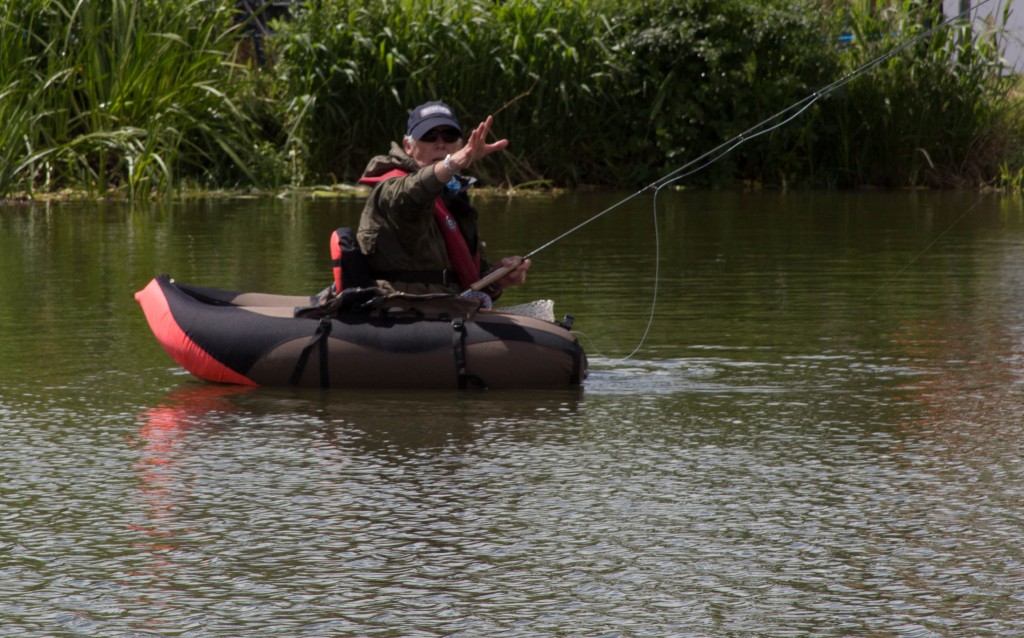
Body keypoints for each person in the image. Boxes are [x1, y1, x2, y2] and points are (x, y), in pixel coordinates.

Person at [356, 100, 530, 304]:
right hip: (398, 307)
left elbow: (470, 280)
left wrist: (499, 277)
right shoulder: (391, 188)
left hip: (447, 307)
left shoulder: (453, 197)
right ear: (408, 146)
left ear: (459, 143)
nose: (440, 144)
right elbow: (411, 193)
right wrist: (451, 163)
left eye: (449, 136)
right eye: (429, 136)